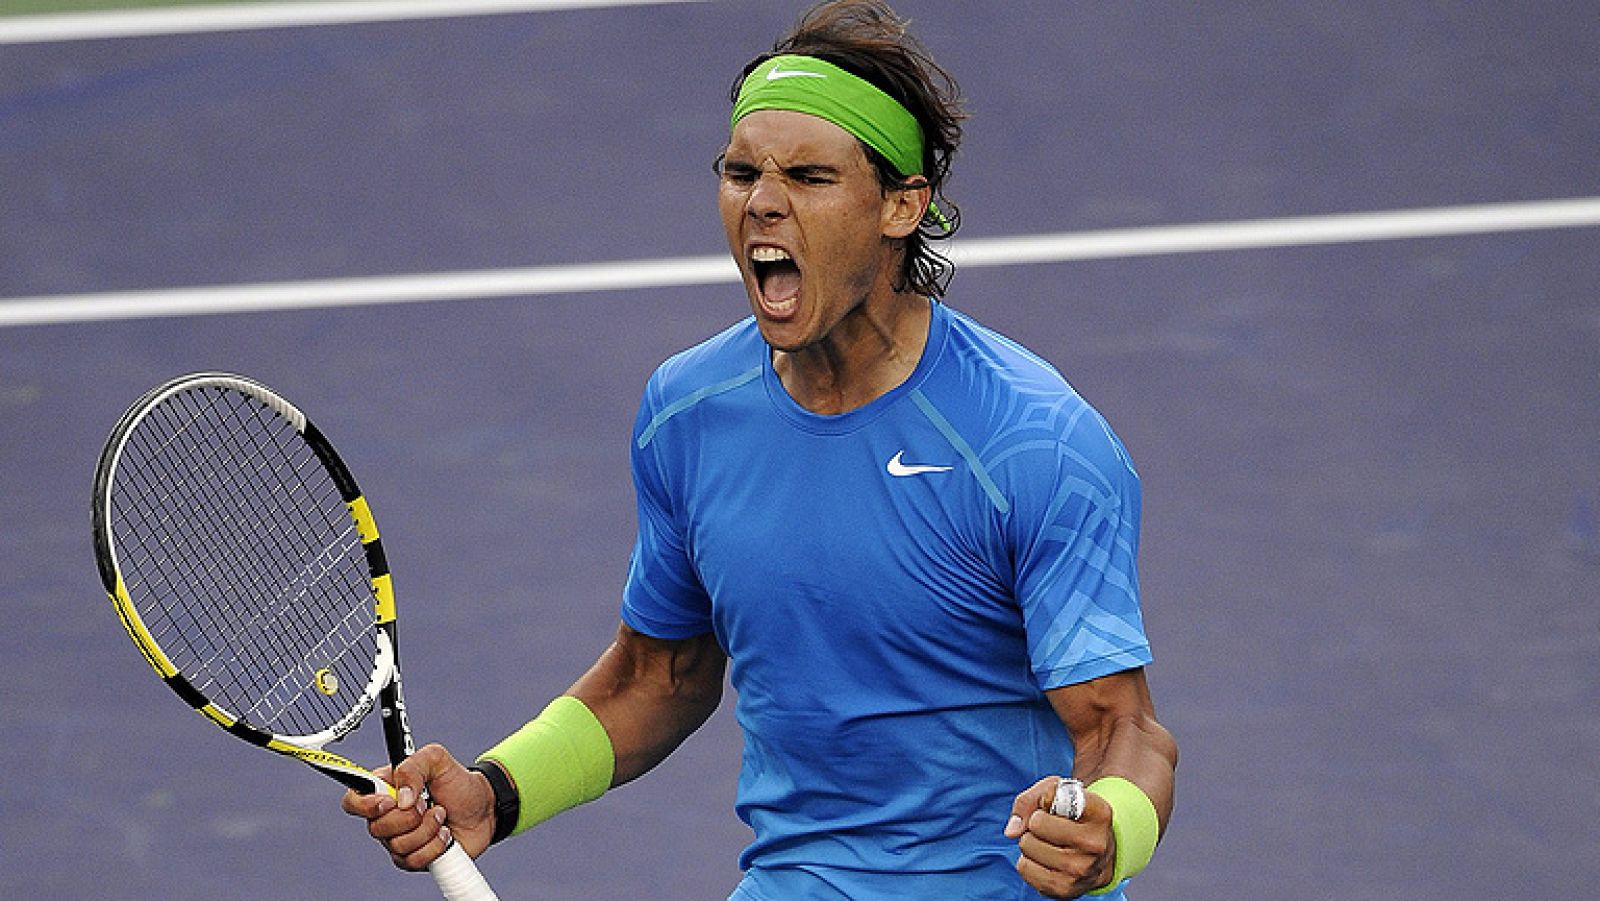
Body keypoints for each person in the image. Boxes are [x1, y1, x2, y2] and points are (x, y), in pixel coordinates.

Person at [342, 2, 1178, 898]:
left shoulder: (1033, 441)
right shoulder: (688, 412)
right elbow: (662, 669)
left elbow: (1122, 727)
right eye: (741, 172)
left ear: (903, 204)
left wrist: (1109, 829)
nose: (763, 202)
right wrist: (494, 794)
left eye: (810, 177)